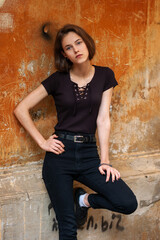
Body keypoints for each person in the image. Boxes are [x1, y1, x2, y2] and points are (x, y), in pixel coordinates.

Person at [14, 24, 138, 240]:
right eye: (69, 48)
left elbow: (103, 119)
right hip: (59, 157)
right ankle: (76, 205)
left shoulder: (105, 75)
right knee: (68, 229)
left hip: (90, 155)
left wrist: (105, 161)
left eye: (79, 43)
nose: (76, 50)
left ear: (87, 42)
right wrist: (42, 142)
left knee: (127, 202)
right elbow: (20, 109)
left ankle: (84, 201)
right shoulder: (57, 80)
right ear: (64, 54)